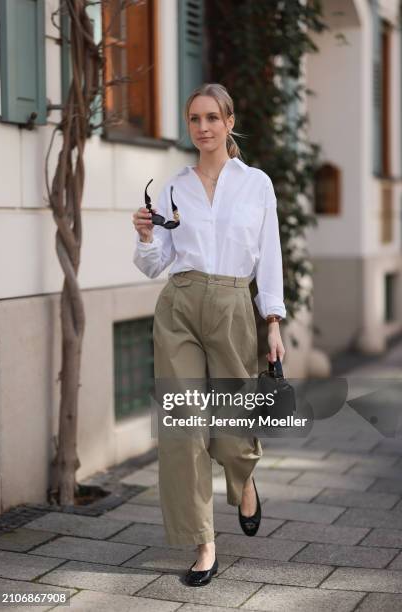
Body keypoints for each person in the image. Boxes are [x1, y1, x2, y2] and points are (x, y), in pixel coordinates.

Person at [132, 83, 286, 586]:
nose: (202, 127)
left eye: (211, 118)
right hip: (179, 307)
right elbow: (157, 265)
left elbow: (271, 256)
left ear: (228, 121)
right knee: (184, 429)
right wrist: (146, 236)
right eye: (194, 119)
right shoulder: (175, 186)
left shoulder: (256, 184)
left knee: (235, 424)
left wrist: (274, 321)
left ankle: (243, 479)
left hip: (233, 306)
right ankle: (204, 544)